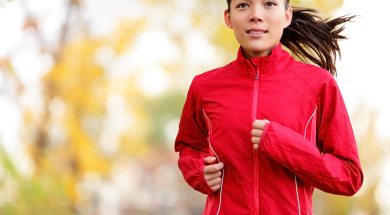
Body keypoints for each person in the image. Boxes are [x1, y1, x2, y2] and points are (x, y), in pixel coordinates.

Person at [174, 0, 363, 214]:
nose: (256, 15)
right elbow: (188, 147)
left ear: (287, 16)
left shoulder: (318, 84)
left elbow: (349, 177)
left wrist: (282, 143)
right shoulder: (204, 86)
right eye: (243, 5)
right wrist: (199, 171)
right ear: (228, 18)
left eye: (270, 4)